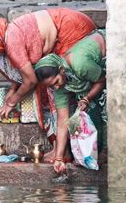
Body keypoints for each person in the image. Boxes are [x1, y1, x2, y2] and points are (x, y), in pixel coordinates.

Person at [0, 8, 97, 159]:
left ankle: (64, 152)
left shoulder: (12, 43)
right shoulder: (11, 32)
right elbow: (23, 70)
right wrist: (13, 89)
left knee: (56, 93)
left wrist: (11, 103)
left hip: (72, 31)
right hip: (70, 23)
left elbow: (31, 80)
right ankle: (60, 149)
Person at [34, 31, 107, 174]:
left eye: (56, 82)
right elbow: (63, 122)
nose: (55, 87)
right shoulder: (59, 87)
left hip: (107, 52)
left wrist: (87, 98)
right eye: (51, 86)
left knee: (105, 105)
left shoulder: (79, 65)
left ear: (61, 70)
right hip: (90, 77)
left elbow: (102, 79)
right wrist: (59, 158)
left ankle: (106, 151)